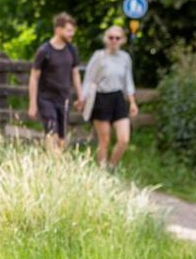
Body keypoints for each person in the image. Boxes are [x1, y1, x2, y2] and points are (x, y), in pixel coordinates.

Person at [81, 25, 139, 169]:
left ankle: (112, 167)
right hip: (101, 98)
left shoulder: (125, 58)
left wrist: (132, 102)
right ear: (106, 39)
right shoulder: (99, 56)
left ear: (122, 40)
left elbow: (128, 82)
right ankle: (102, 171)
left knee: (124, 139)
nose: (114, 40)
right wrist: (83, 98)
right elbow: (89, 79)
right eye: (111, 37)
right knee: (104, 140)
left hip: (118, 98)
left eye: (117, 38)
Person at [28, 12, 84, 151]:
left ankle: (54, 164)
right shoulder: (44, 51)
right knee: (51, 132)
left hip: (64, 99)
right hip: (46, 98)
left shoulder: (72, 50)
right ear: (58, 29)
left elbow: (75, 74)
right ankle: (54, 163)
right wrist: (32, 104)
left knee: (62, 139)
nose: (72, 34)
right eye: (69, 30)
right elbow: (34, 78)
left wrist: (80, 96)